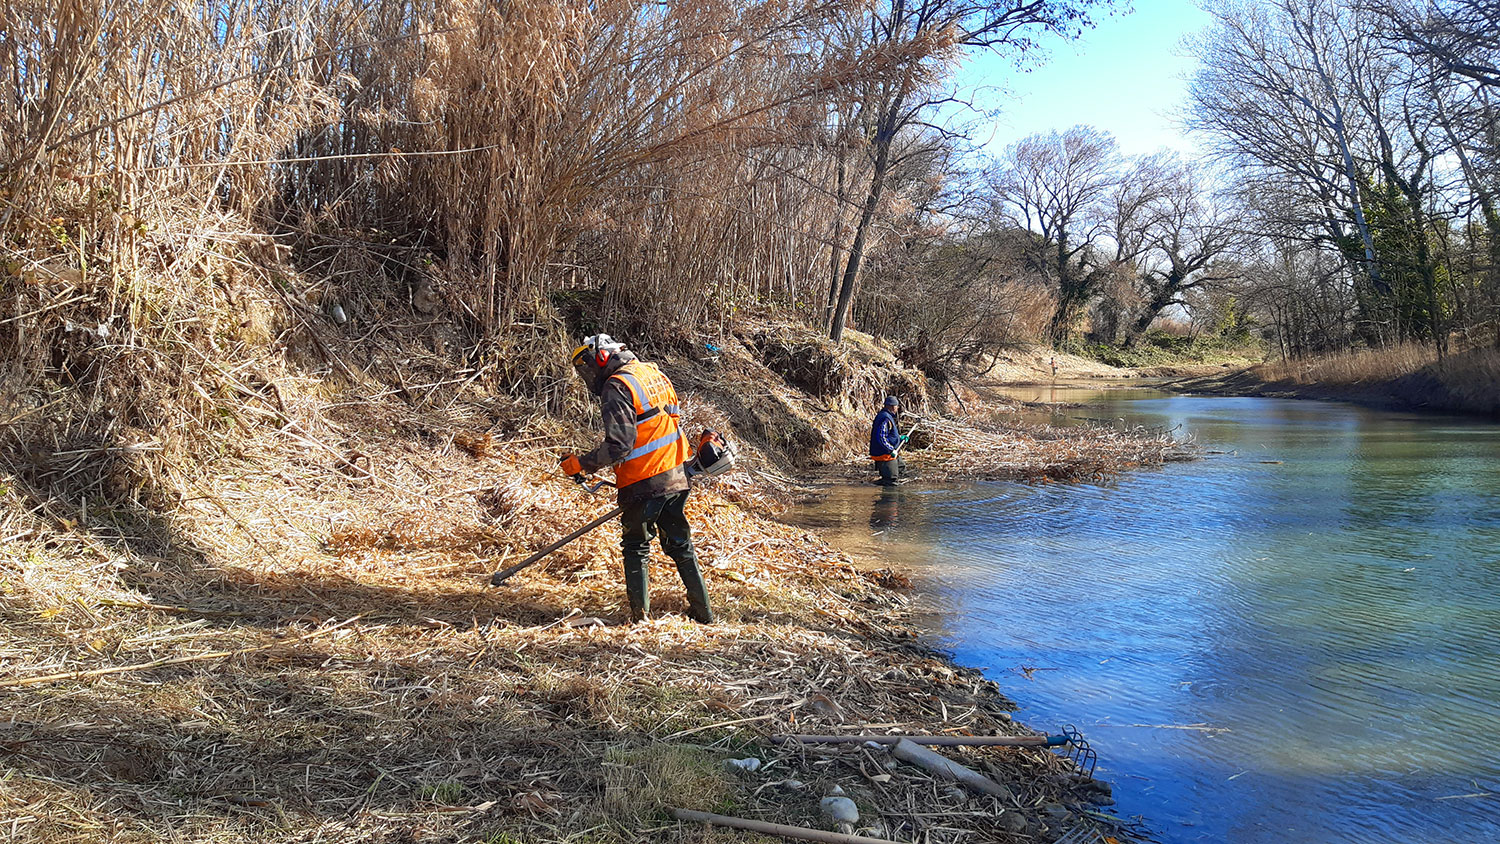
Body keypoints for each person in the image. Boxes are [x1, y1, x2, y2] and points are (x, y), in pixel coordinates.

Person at [559, 334, 713, 624]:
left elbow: (620, 444)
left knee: (636, 547)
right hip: (675, 475)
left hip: (644, 479)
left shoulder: (616, 386)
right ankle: (704, 614)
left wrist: (582, 463)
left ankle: (640, 619)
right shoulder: (652, 374)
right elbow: (673, 420)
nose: (589, 373)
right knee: (680, 545)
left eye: (589, 364)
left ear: (602, 358)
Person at [869, 395, 906, 486]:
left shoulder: (887, 416)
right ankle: (888, 496)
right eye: (896, 406)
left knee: (901, 467)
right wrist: (891, 449)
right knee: (891, 480)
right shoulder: (884, 418)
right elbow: (881, 437)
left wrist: (899, 438)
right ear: (892, 406)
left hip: (890, 452)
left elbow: (888, 434)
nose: (897, 408)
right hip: (884, 454)